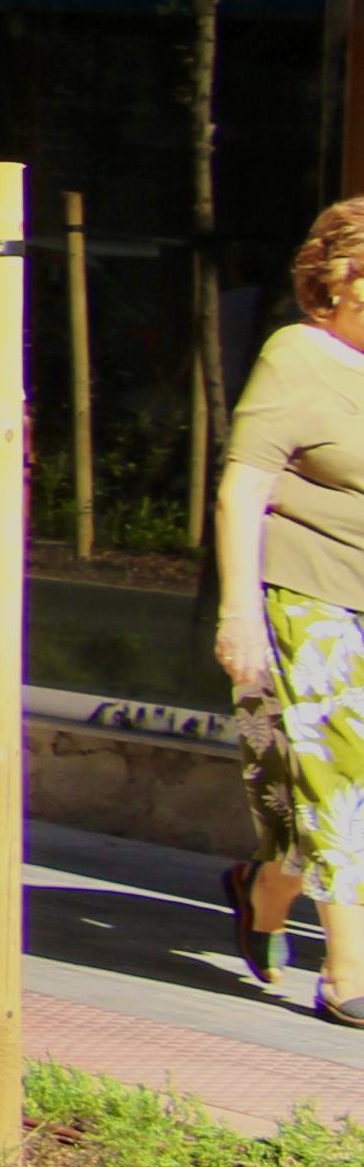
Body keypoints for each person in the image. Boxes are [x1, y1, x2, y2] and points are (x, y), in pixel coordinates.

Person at [216, 196, 364, 1025]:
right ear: (341, 280)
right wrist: (239, 613)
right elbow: (244, 486)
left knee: (298, 823)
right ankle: (348, 973)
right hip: (308, 592)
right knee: (342, 780)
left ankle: (261, 893)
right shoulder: (297, 356)